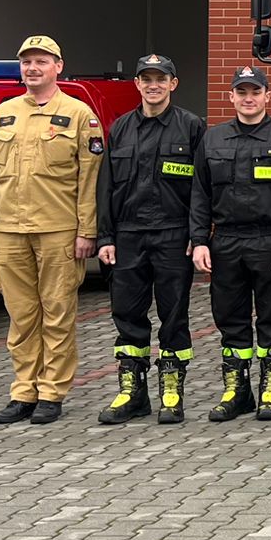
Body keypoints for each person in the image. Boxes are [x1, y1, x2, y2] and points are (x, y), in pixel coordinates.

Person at [0, 34, 102, 424]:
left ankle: (51, 392)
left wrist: (86, 231)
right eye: (27, 62)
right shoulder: (4, 113)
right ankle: (23, 392)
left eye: (41, 61)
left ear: (58, 67)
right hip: (10, 230)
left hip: (58, 230)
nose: (33, 68)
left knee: (57, 313)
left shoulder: (80, 114)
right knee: (20, 316)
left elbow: (89, 179)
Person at [190, 66, 271, 422]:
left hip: (270, 242)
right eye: (242, 92)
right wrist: (199, 241)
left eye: (255, 92)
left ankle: (270, 394)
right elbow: (199, 194)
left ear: (267, 96)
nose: (249, 98)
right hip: (225, 242)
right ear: (231, 97)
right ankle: (237, 393)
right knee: (230, 321)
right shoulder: (212, 140)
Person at [94, 54, 205, 425]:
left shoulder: (191, 127)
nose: (153, 85)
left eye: (160, 79)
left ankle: (171, 393)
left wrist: (197, 235)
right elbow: (106, 186)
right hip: (128, 235)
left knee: (174, 315)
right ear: (137, 84)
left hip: (174, 235)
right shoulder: (120, 128)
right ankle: (133, 393)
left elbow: (201, 188)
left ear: (173, 84)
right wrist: (105, 237)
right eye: (146, 79)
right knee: (127, 314)